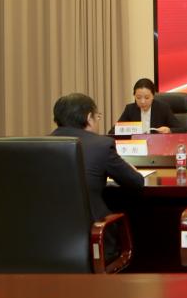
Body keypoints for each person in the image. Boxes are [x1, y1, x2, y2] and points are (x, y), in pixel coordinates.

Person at [51, 93, 149, 226]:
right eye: (97, 117)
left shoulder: (38, 146)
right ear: (89, 118)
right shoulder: (101, 145)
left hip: (47, 232)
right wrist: (132, 170)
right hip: (93, 231)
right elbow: (136, 182)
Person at [116, 78, 183, 133]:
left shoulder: (163, 108)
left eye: (147, 97)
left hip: (157, 143)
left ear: (153, 96)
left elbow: (182, 129)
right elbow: (114, 130)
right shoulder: (130, 109)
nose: (142, 101)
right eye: (138, 98)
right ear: (134, 96)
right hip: (137, 143)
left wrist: (169, 130)